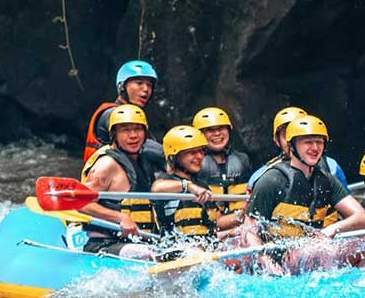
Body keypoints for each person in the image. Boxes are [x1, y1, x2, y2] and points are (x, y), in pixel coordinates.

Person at [242, 116, 365, 273]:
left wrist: (331, 229)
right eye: (308, 142)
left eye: (319, 142)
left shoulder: (325, 179)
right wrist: (265, 260)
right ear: (292, 146)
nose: (315, 148)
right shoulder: (271, 180)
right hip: (283, 259)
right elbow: (249, 229)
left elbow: (363, 218)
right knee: (316, 250)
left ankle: (351, 287)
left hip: (316, 249)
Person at [78, 104, 160, 259]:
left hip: (139, 244)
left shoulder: (144, 163)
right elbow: (81, 203)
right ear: (114, 134)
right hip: (105, 246)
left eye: (138, 129)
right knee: (150, 255)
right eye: (126, 130)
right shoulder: (107, 164)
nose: (133, 135)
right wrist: (121, 218)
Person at [151, 125, 242, 237]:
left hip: (202, 249)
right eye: (192, 152)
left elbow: (217, 222)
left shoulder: (201, 185)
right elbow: (157, 188)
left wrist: (244, 213)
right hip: (176, 251)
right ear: (175, 156)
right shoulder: (166, 180)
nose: (199, 156)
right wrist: (189, 186)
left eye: (201, 151)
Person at [246, 106, 349, 192]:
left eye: (301, 136)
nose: (292, 141)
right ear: (277, 141)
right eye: (287, 135)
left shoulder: (331, 167)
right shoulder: (260, 177)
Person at [83, 60, 164, 167]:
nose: (146, 89)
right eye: (139, 83)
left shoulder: (135, 116)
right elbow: (145, 146)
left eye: (149, 85)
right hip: (108, 176)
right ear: (122, 87)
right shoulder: (112, 114)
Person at [192, 107, 252, 215]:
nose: (217, 134)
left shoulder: (243, 160)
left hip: (240, 224)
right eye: (210, 130)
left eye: (221, 128)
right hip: (212, 224)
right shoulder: (193, 164)